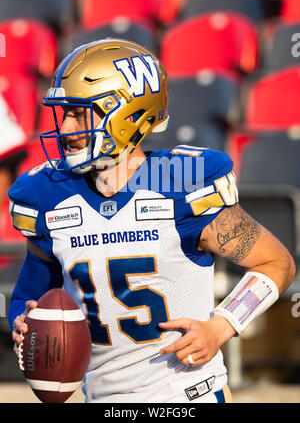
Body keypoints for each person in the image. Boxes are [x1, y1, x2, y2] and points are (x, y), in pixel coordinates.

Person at [8, 39, 295, 403]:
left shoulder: (182, 183)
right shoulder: (48, 195)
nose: (66, 127)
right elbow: (26, 296)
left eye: (80, 113)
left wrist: (222, 326)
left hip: (186, 397)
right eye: (64, 113)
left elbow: (276, 263)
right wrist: (22, 321)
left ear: (128, 114)